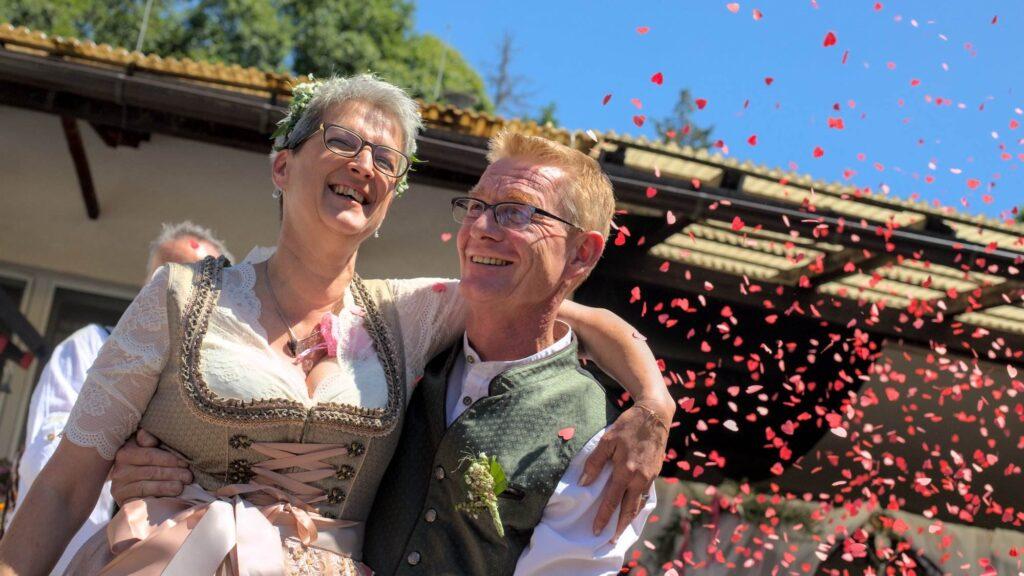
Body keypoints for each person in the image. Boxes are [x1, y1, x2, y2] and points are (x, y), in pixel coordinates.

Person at [0, 74, 673, 576]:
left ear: (386, 202)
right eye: (343, 141)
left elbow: (560, 307)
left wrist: (652, 398)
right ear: (283, 165)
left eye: (387, 159)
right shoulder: (179, 297)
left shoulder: (408, 313)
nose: (364, 164)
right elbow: (65, 483)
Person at [363, 131, 660, 574]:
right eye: (477, 207)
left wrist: (653, 408)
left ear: (582, 253)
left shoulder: (598, 438)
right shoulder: (411, 331)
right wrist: (657, 400)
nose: (480, 229)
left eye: (516, 212)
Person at [5, 221, 231, 576]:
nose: (180, 294)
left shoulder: (230, 390)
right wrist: (117, 464)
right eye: (166, 280)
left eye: (200, 282)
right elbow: (46, 462)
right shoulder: (90, 347)